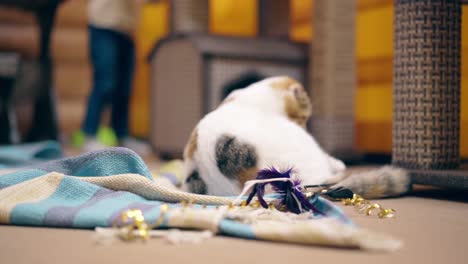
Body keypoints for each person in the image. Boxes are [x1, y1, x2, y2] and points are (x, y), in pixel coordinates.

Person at [81, 0, 150, 154]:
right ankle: (89, 134)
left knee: (124, 87)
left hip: (127, 28)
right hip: (103, 24)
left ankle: (121, 135)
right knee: (105, 83)